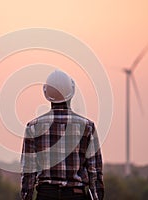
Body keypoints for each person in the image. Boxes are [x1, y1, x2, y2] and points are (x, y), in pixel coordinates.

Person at [20, 70, 104, 200]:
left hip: (46, 195)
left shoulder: (33, 127)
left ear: (46, 94)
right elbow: (95, 172)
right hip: (76, 195)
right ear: (71, 92)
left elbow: (28, 171)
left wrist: (26, 196)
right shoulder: (87, 126)